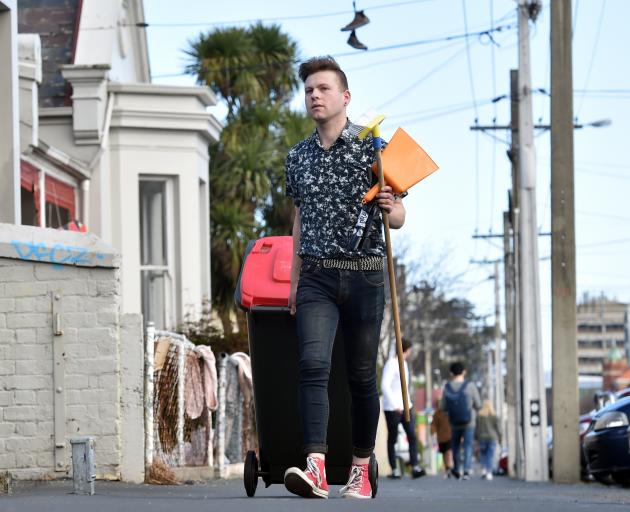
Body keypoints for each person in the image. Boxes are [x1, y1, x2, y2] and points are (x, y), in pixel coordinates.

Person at [282, 56, 406, 500]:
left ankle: (359, 469)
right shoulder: (296, 158)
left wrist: (392, 208)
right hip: (316, 276)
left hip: (366, 278)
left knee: (360, 377)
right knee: (313, 365)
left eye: (323, 88)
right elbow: (299, 220)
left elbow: (400, 219)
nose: (315, 95)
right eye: (309, 89)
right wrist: (295, 280)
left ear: (345, 97)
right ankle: (315, 466)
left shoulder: (375, 148)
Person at [381, 338, 426, 479]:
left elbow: (404, 388)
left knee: (412, 435)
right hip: (392, 409)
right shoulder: (391, 364)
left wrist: (408, 404)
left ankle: (415, 467)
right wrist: (395, 405)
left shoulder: (404, 363)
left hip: (407, 406)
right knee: (392, 438)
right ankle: (394, 470)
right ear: (407, 349)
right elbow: (385, 386)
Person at [440, 361, 481, 480]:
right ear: (464, 372)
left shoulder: (447, 387)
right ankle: (467, 471)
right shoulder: (470, 386)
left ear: (451, 373)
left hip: (453, 421)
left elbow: (443, 407)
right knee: (468, 446)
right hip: (469, 422)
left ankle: (457, 470)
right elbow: (478, 404)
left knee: (455, 446)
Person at [475, 399, 502, 480]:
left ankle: (484, 469)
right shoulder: (494, 416)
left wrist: (476, 438)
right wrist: (500, 437)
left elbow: (477, 428)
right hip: (492, 438)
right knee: (490, 456)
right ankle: (489, 472)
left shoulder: (479, 416)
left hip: (482, 437)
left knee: (483, 454)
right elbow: (498, 428)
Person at [430, 389, 453, 477]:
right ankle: (447, 468)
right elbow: (433, 424)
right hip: (441, 437)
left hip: (451, 435)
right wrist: (433, 433)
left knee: (449, 452)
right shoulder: (437, 413)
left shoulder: (452, 411)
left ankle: (450, 467)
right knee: (444, 452)